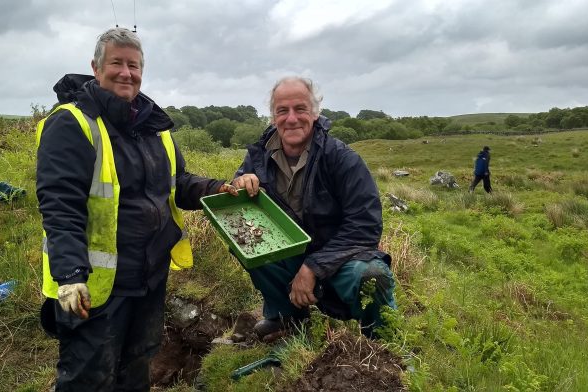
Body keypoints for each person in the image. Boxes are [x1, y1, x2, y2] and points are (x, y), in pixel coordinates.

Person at [36, 27, 237, 391]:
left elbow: (177, 184)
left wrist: (218, 188)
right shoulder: (73, 123)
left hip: (149, 277)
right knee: (88, 376)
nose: (126, 72)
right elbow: (60, 205)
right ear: (96, 68)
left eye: (134, 65)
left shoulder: (154, 126)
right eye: (117, 63)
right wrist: (70, 275)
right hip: (95, 287)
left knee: (137, 366)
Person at [231, 77, 397, 341]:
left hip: (340, 257)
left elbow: (365, 226)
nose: (292, 118)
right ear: (273, 117)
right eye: (282, 111)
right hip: (290, 255)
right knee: (246, 241)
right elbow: (237, 208)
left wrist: (312, 268)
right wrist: (239, 185)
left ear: (315, 113)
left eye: (301, 109)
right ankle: (288, 321)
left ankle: (384, 344)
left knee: (372, 274)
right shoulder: (258, 157)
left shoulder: (343, 159)